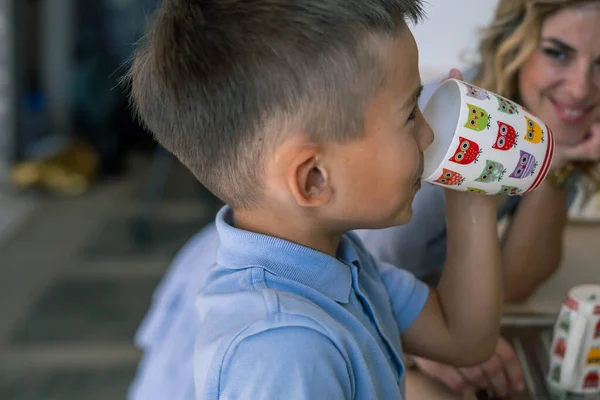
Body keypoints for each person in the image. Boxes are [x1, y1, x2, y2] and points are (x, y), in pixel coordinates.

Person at [126, 0, 505, 398]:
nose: (427, 135)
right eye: (410, 114)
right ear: (314, 179)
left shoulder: (335, 258)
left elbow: (462, 337)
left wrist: (473, 188)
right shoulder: (283, 350)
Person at [356, 0, 600, 397]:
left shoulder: (538, 134)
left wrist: (557, 167)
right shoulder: (449, 129)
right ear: (515, 44)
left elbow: (514, 285)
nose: (580, 88)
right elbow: (355, 266)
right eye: (557, 53)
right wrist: (419, 347)